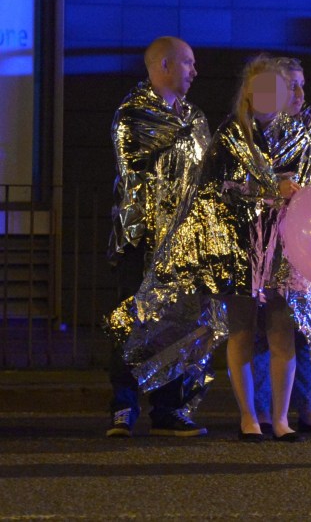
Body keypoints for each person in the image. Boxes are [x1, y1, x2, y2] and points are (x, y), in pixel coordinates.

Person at [124, 54, 311, 442]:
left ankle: (280, 418)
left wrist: (300, 193)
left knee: (282, 332)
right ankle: (248, 417)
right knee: (241, 332)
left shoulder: (299, 133)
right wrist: (265, 189)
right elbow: (210, 191)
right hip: (240, 247)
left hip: (285, 247)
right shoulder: (230, 134)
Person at [103, 36, 211, 438]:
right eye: (188, 63)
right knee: (133, 324)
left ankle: (170, 408)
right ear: (164, 65)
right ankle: (123, 407)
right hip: (142, 240)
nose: (195, 71)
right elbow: (136, 177)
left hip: (185, 243)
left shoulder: (195, 117)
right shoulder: (132, 115)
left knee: (180, 324)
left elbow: (204, 175)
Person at [252, 56, 311, 434]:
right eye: (293, 86)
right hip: (264, 238)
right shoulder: (257, 126)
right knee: (264, 326)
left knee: (305, 326)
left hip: (306, 236)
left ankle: (306, 407)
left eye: (303, 85)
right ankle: (262, 411)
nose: (301, 94)